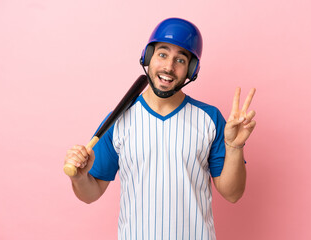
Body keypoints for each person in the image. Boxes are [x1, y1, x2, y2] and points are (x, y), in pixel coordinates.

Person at [64, 17, 256, 240]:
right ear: (148, 57)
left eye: (181, 60)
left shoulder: (210, 118)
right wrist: (79, 178)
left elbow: (233, 194)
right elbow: (91, 194)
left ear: (191, 70)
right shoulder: (118, 120)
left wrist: (235, 145)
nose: (169, 66)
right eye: (162, 54)